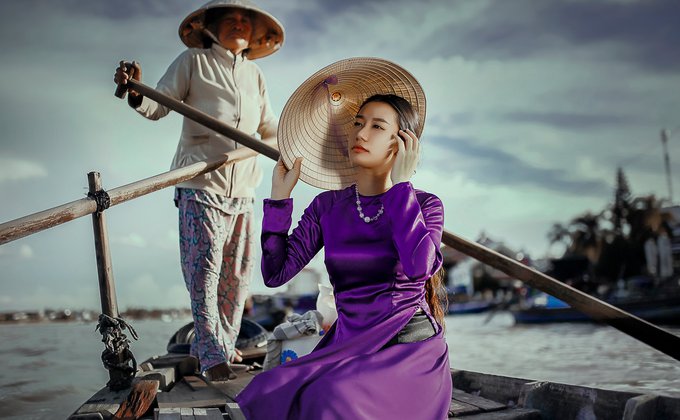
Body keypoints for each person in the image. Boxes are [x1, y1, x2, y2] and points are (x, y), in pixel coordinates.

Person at [236, 58, 452, 419]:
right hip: (347, 344)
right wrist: (279, 200)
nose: (361, 134)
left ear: (402, 143)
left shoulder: (425, 204)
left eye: (377, 126)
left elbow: (418, 268)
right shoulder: (328, 206)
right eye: (358, 123)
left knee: (330, 400)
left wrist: (401, 187)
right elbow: (275, 273)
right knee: (265, 390)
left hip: (407, 348)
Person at [113, 0, 284, 381]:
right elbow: (159, 105)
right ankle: (210, 355)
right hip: (200, 182)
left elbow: (269, 126)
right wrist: (136, 92)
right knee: (203, 270)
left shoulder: (255, 75)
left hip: (244, 189)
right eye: (231, 19)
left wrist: (301, 136)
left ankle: (224, 344)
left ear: (254, 34)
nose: (239, 24)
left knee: (237, 276)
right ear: (211, 28)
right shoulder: (193, 62)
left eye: (245, 21)